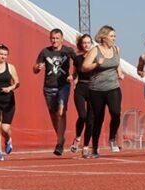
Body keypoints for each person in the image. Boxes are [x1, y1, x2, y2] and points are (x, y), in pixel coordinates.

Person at [81, 25, 125, 158]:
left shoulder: (116, 49)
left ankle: (112, 138)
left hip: (113, 87)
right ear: (104, 37)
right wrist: (96, 64)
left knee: (116, 113)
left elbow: (117, 64)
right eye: (111, 36)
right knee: (98, 119)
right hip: (96, 89)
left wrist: (120, 72)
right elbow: (84, 67)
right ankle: (94, 148)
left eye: (115, 36)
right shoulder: (95, 50)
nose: (114, 39)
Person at [33, 28, 76, 156]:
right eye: (52, 38)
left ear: (62, 39)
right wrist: (38, 67)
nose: (54, 41)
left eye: (57, 38)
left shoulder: (68, 51)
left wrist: (73, 76)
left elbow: (78, 63)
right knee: (54, 115)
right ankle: (61, 137)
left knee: (61, 111)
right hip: (48, 87)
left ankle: (59, 143)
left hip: (63, 86)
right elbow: (34, 68)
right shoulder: (45, 52)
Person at [69, 33, 95, 154]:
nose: (86, 45)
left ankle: (85, 146)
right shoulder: (77, 58)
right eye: (84, 43)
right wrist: (71, 77)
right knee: (82, 116)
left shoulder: (96, 58)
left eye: (88, 43)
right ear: (81, 44)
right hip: (80, 88)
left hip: (93, 89)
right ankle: (77, 138)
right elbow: (75, 74)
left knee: (90, 120)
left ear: (91, 44)